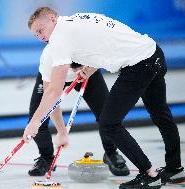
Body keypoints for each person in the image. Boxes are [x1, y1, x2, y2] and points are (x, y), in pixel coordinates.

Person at [23, 7, 185, 189]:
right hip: (153, 53)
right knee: (160, 114)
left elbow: (53, 90)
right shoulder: (78, 19)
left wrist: (35, 122)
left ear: (52, 19)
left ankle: (149, 174)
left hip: (138, 66)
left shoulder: (59, 38)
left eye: (40, 30)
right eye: (36, 35)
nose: (40, 37)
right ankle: (175, 169)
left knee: (109, 124)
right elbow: (104, 37)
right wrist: (91, 66)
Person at [28, 45, 130, 177]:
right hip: (56, 74)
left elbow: (105, 55)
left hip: (88, 73)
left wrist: (91, 68)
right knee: (37, 119)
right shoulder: (50, 55)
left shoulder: (89, 40)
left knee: (107, 116)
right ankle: (46, 158)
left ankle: (111, 153)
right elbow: (50, 102)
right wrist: (62, 131)